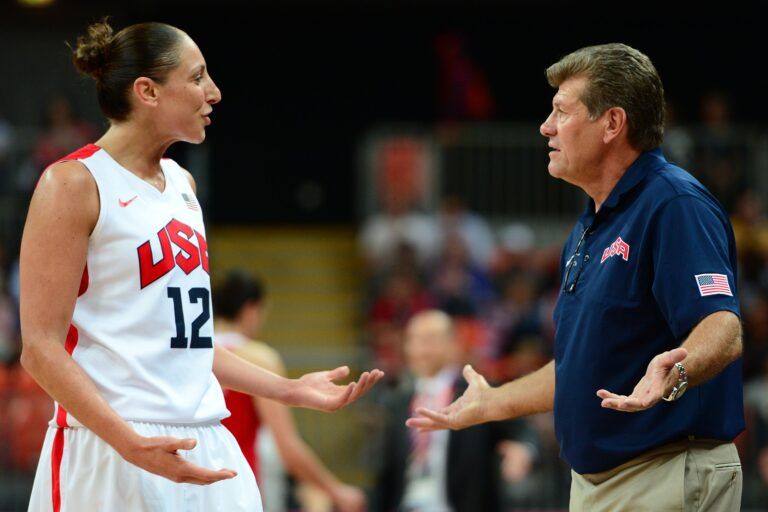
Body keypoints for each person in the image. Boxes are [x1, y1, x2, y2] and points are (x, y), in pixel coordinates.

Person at [19, 19, 382, 512]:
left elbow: (190, 343)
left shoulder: (183, 186)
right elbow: (40, 348)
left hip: (207, 435)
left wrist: (288, 389)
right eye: (196, 78)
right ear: (147, 91)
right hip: (110, 443)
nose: (213, 92)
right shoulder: (73, 184)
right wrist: (127, 442)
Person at [407, 43, 744, 511]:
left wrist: (677, 371)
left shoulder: (674, 205)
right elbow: (578, 370)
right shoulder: (589, 228)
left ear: (612, 123)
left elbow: (723, 328)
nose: (546, 127)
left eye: (561, 112)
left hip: (664, 473)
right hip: (599, 484)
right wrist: (492, 403)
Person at [213, 270, 367, 512]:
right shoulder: (257, 358)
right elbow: (288, 447)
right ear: (252, 309)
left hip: (187, 482)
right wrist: (335, 490)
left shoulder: (193, 352)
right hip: (236, 488)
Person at [375, 310, 537, 512]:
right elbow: (387, 475)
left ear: (453, 344)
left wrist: (523, 449)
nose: (419, 348)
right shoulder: (399, 401)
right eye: (412, 340)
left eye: (429, 339)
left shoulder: (476, 391)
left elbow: (521, 428)